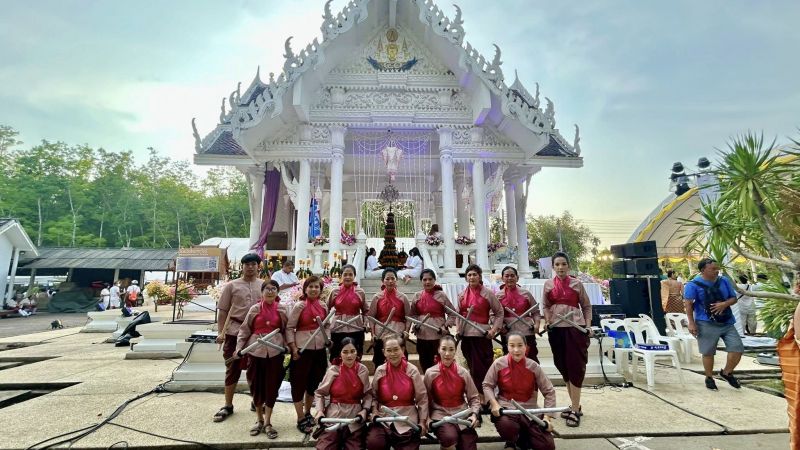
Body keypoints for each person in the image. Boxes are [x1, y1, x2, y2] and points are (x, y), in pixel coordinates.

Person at [213, 252, 264, 423]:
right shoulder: (232, 286)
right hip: (234, 331)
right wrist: (221, 332)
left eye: (253, 264)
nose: (250, 267)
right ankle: (228, 405)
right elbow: (223, 310)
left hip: (255, 334)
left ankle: (255, 401)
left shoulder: (263, 286)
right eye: (247, 264)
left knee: (256, 369)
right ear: (242, 266)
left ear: (258, 266)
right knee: (232, 368)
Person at [542, 251, 592, 427]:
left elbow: (586, 306)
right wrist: (548, 321)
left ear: (568, 266)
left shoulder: (577, 284)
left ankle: (576, 409)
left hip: (574, 329)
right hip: (556, 329)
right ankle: (574, 406)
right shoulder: (548, 285)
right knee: (563, 366)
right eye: (557, 265)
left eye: (563, 264)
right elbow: (546, 306)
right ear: (553, 267)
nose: (560, 267)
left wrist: (587, 325)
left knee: (575, 367)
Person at [233, 280, 287, 439]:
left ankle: (269, 421)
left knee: (272, 386)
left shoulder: (282, 309)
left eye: (274, 289)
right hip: (255, 351)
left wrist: (289, 345)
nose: (270, 291)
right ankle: (259, 419)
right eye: (267, 289)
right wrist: (239, 348)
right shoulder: (254, 309)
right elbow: (244, 330)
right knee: (256, 385)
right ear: (262, 291)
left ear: (277, 292)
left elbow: (286, 331)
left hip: (275, 352)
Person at [483, 332, 556, 450]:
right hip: (506, 408)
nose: (516, 350)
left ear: (525, 347)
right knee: (507, 427)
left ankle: (523, 438)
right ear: (507, 346)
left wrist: (547, 418)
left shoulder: (534, 366)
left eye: (520, 345)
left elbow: (549, 391)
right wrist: (494, 404)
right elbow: (487, 385)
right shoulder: (498, 363)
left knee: (547, 446)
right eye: (512, 346)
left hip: (530, 410)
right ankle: (512, 440)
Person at [684, 257, 744, 391]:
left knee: (737, 348)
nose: (716, 271)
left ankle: (727, 372)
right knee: (708, 352)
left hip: (727, 321)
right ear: (703, 270)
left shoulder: (724, 281)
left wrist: (724, 304)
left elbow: (733, 298)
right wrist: (691, 323)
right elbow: (688, 304)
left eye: (717, 268)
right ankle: (709, 377)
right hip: (706, 322)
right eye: (713, 269)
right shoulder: (692, 285)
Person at [449, 264, 503, 406]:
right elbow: (458, 314)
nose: (472, 277)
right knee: (472, 368)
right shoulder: (462, 295)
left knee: (483, 368)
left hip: (482, 336)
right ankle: (477, 399)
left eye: (474, 274)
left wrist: (493, 330)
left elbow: (499, 312)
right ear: (466, 277)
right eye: (469, 275)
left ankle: (487, 398)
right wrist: (459, 329)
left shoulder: (488, 294)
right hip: (467, 336)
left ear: (479, 277)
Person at [367, 336, 428, 450]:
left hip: (407, 417)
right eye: (389, 350)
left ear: (403, 349)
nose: (393, 353)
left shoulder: (412, 370)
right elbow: (374, 396)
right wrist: (374, 411)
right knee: (374, 442)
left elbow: (422, 398)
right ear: (383, 352)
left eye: (396, 349)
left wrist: (422, 422)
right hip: (384, 418)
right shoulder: (380, 370)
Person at [287, 276, 330, 434]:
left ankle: (307, 412)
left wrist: (328, 339)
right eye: (310, 286)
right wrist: (293, 347)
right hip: (302, 350)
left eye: (317, 287)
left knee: (314, 383)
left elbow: (328, 326)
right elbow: (290, 327)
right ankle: (300, 417)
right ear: (305, 289)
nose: (313, 289)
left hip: (318, 350)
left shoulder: (324, 306)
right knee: (299, 383)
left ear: (320, 290)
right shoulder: (299, 306)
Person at [423, 335, 481, 450]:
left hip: (462, 415)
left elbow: (474, 398)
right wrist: (427, 419)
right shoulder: (430, 373)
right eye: (444, 349)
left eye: (451, 349)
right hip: (440, 415)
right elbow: (425, 400)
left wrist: (474, 415)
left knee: (469, 445)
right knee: (449, 437)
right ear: (438, 349)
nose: (447, 353)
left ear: (455, 351)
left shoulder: (463, 372)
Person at [314, 337, 372, 450]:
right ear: (340, 353)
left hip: (355, 417)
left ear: (357, 352)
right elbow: (320, 393)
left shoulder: (362, 370)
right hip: (333, 416)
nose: (349, 356)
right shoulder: (333, 370)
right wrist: (320, 411)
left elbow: (368, 394)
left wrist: (365, 410)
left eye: (352, 351)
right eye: (345, 352)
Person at [367, 268, 411, 368]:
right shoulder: (377, 297)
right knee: (380, 363)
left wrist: (407, 331)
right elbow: (371, 317)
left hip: (398, 334)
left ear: (396, 280)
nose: (390, 281)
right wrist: (373, 334)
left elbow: (408, 317)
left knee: (401, 363)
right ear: (382, 281)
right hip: (381, 335)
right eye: (387, 279)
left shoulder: (403, 297)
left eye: (393, 278)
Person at [497, 266, 541, 362]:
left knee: (531, 358)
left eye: (512, 276)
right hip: (507, 332)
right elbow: (493, 315)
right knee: (510, 360)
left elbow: (536, 312)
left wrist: (537, 324)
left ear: (517, 278)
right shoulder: (498, 296)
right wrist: (501, 326)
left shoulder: (526, 294)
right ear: (502, 278)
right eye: (507, 276)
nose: (509, 278)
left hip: (526, 331)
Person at [410, 269, 450, 372]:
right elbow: (412, 315)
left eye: (430, 279)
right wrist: (416, 324)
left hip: (438, 335)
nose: (427, 282)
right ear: (421, 281)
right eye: (425, 279)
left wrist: (444, 326)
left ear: (434, 280)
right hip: (422, 336)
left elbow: (452, 315)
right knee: (425, 364)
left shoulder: (441, 295)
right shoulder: (417, 296)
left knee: (439, 365)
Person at [327, 264, 368, 358]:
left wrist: (365, 323)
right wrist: (326, 326)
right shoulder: (335, 292)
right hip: (337, 328)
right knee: (336, 355)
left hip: (356, 327)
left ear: (354, 276)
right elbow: (326, 309)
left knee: (355, 356)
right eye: (345, 274)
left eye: (350, 274)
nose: (348, 277)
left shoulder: (360, 292)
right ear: (341, 276)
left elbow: (366, 311)